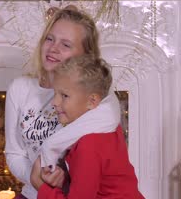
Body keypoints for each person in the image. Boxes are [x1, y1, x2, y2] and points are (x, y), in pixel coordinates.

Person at [4, 8, 121, 199]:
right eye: (50, 39)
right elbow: (14, 154)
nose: (53, 48)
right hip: (35, 192)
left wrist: (52, 159)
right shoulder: (20, 88)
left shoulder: (97, 96)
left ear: (86, 56)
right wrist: (39, 177)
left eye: (66, 44)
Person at [30, 55, 144, 199]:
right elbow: (96, 181)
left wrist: (40, 186)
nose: (54, 102)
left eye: (64, 95)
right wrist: (64, 181)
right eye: (55, 93)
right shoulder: (106, 126)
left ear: (92, 101)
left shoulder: (89, 145)